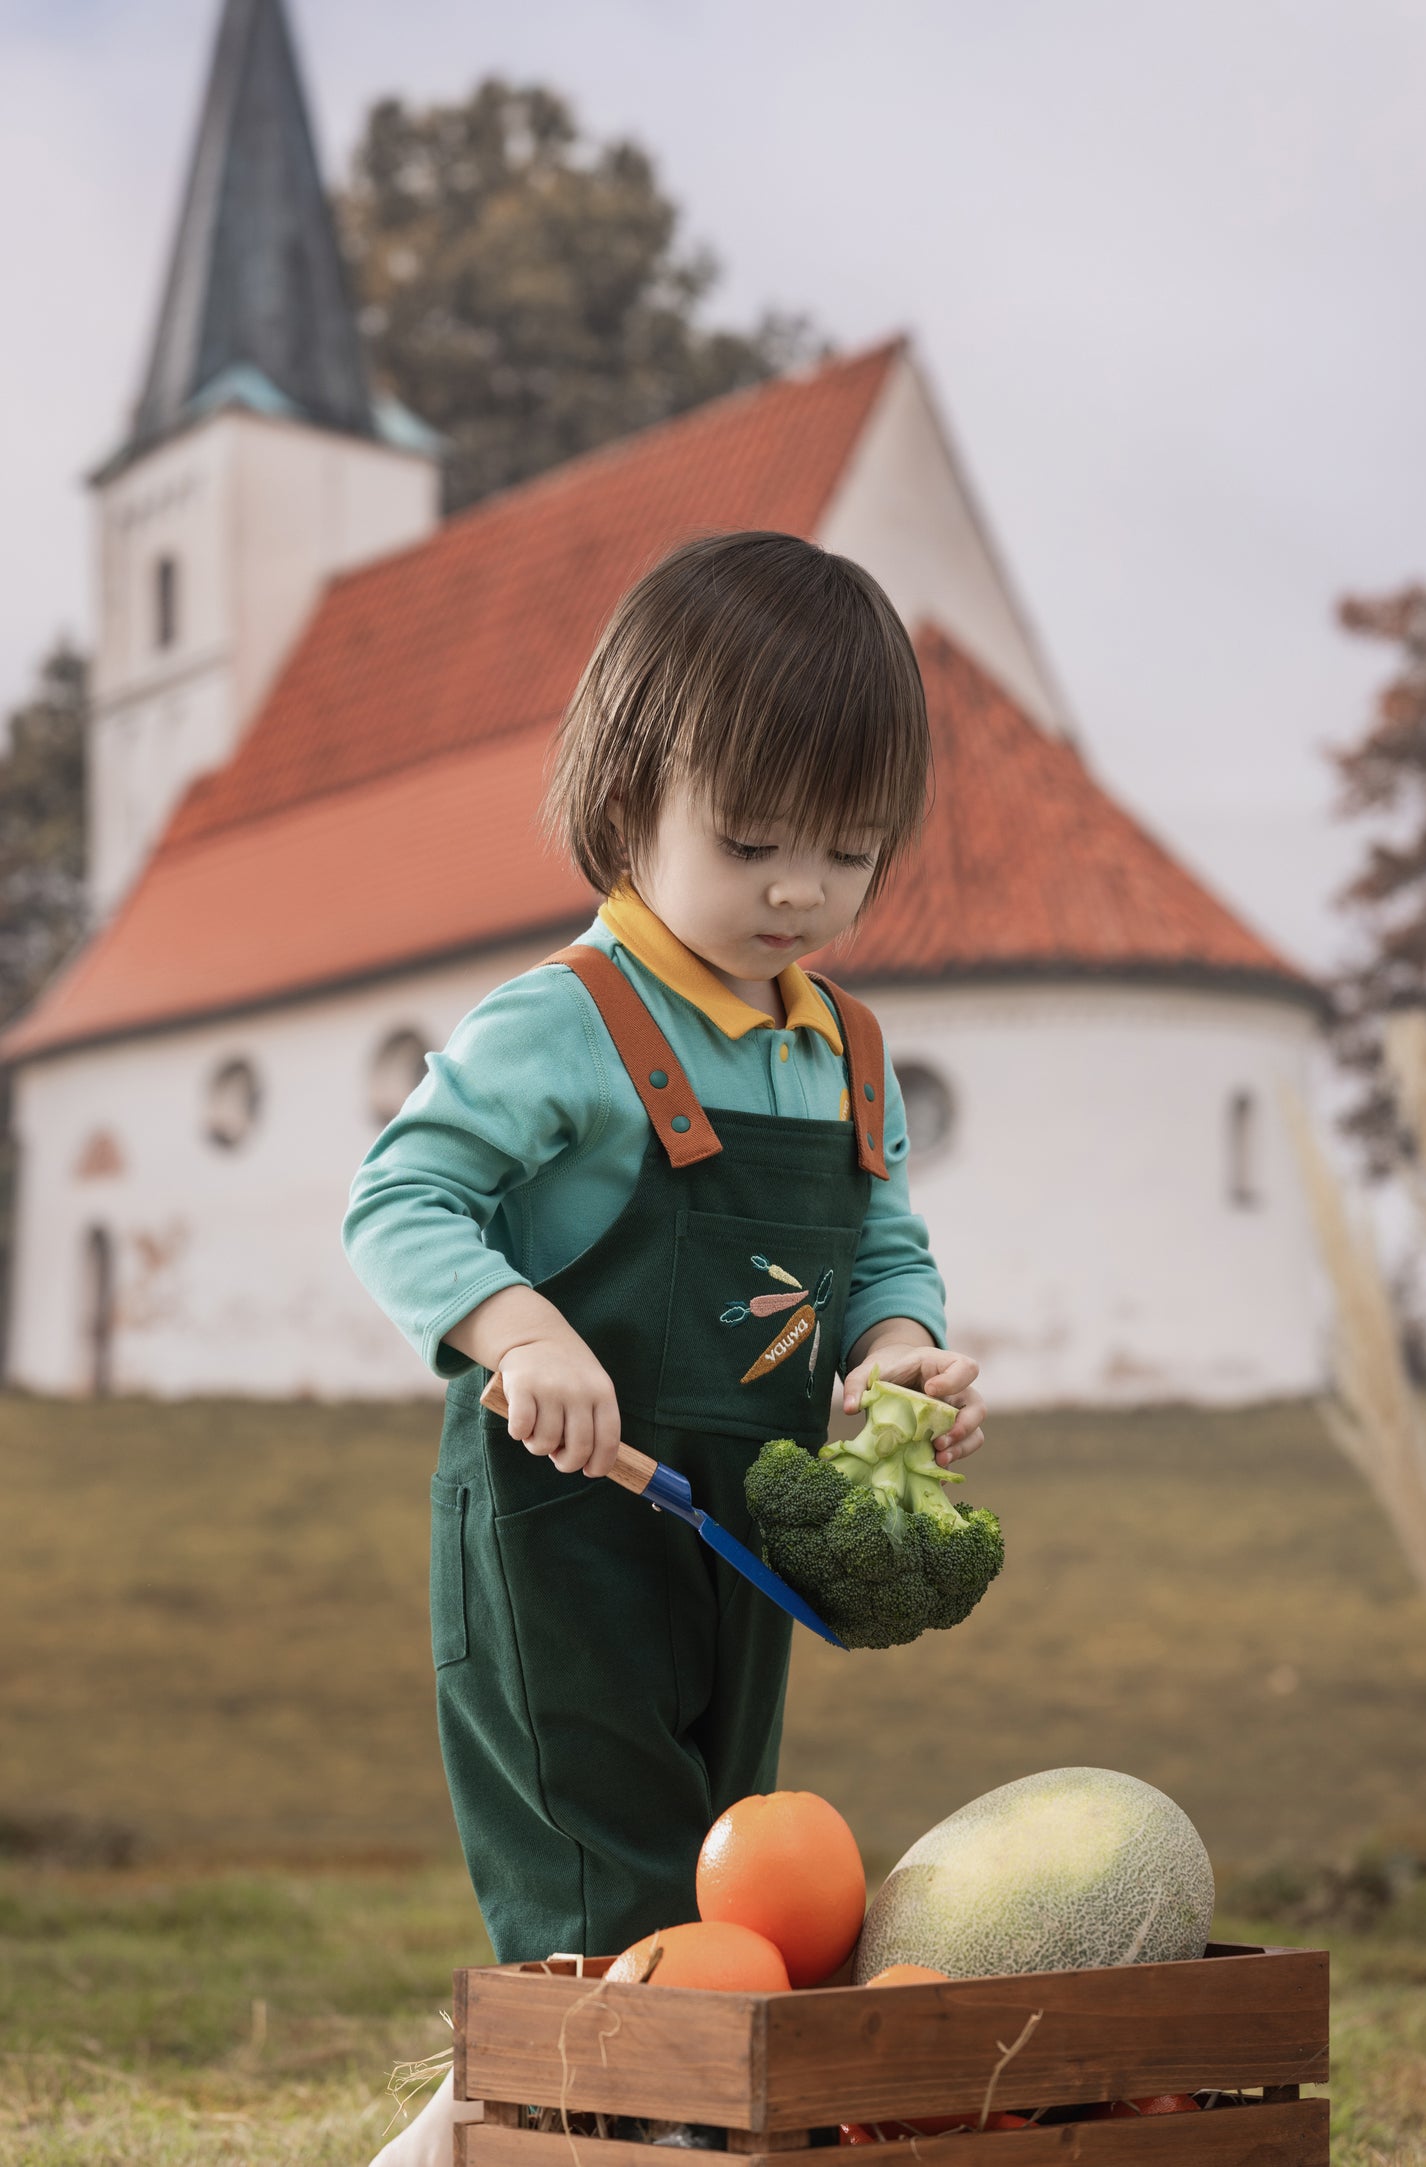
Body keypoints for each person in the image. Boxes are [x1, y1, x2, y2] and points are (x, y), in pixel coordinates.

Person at [343, 530, 986, 1979]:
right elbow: (397, 1198)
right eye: (750, 842)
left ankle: (587, 2122)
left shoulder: (845, 1045)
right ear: (629, 802)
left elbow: (881, 1239)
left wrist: (896, 1350)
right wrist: (518, 1330)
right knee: (600, 1895)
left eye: (848, 848)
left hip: (740, 1534)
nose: (798, 893)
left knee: (730, 1881)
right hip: (560, 1544)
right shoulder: (562, 1019)